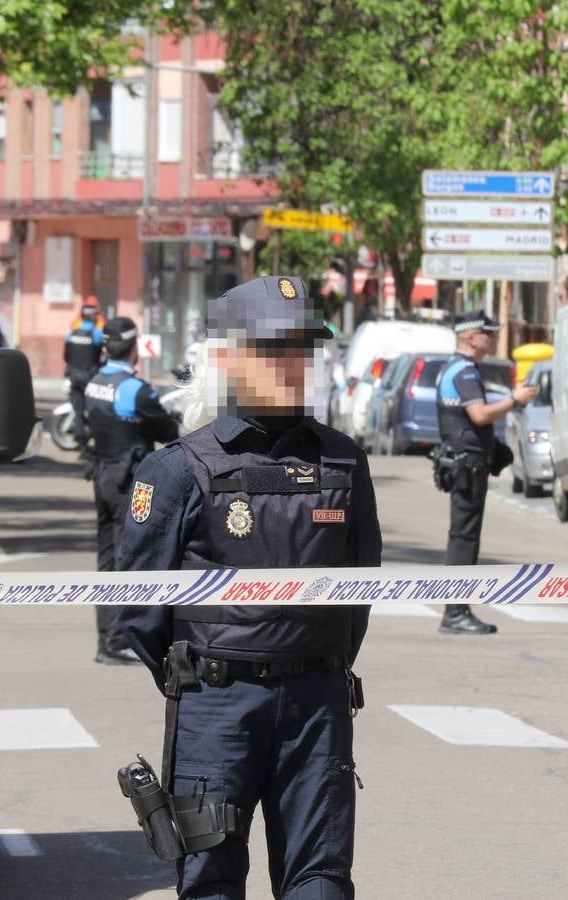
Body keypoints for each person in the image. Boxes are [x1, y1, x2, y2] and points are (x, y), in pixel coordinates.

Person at [118, 275, 381, 900]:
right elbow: (138, 607)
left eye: (302, 350)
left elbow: (360, 592)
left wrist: (312, 661)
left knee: (320, 879)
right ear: (232, 358)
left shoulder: (344, 463)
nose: (293, 365)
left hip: (317, 704)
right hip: (217, 703)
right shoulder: (179, 468)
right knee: (209, 879)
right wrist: (205, 668)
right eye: (274, 350)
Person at [435, 310, 536, 635]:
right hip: (466, 466)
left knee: (462, 537)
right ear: (471, 337)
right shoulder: (464, 371)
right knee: (464, 540)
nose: (492, 340)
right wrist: (514, 400)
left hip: (465, 462)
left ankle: (457, 609)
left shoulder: (454, 368)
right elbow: (478, 415)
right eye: (488, 334)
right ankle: (456, 611)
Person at [85, 316, 179, 664]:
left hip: (102, 475)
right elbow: (169, 431)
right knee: (133, 558)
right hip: (129, 482)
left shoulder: (96, 381)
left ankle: (107, 640)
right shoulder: (134, 390)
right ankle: (121, 641)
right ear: (135, 346)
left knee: (107, 560)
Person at [64, 297, 104, 456]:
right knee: (96, 411)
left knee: (78, 412)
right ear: (94, 316)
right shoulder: (96, 334)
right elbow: (103, 352)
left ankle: (82, 448)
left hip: (74, 376)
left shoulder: (71, 333)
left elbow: (66, 356)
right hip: (91, 378)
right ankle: (99, 445)